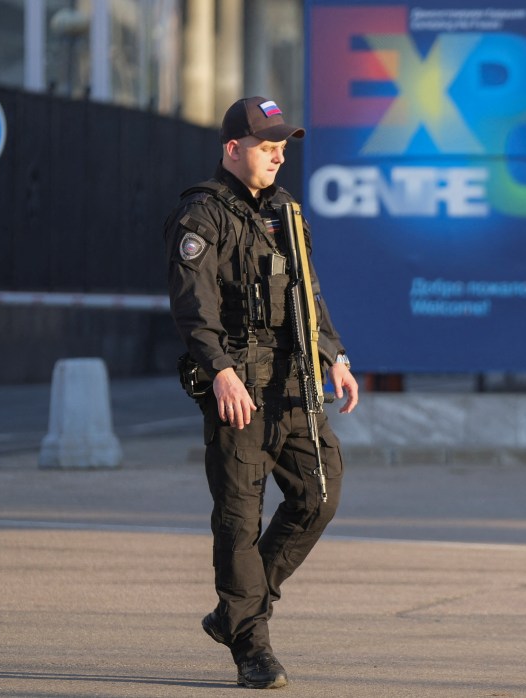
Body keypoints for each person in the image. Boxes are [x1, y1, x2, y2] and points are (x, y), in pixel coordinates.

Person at [163, 96, 358, 689]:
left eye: (281, 146)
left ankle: (237, 611)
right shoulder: (202, 215)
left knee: (318, 495)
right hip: (239, 386)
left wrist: (335, 355)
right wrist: (219, 370)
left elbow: (309, 292)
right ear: (233, 149)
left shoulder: (287, 211)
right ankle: (253, 647)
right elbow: (191, 308)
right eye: (266, 146)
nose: (277, 155)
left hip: (295, 381)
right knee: (238, 521)